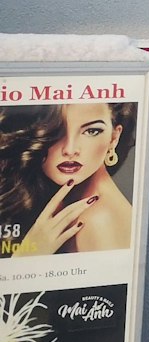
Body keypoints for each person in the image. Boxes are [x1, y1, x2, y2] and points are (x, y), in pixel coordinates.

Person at [0, 102, 137, 257]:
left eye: (91, 131)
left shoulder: (99, 221)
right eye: (56, 131)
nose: (70, 150)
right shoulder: (59, 200)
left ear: (113, 138)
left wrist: (27, 257)